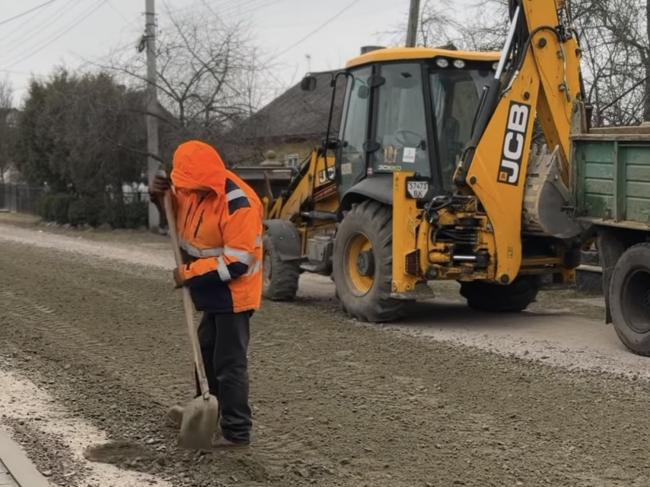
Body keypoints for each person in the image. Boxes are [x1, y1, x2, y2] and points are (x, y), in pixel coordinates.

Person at [151, 140, 263, 447]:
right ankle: (204, 412)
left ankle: (237, 431)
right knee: (205, 355)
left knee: (230, 364)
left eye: (192, 188)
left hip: (233, 295)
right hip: (210, 292)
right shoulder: (191, 191)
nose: (188, 194)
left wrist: (187, 274)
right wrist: (159, 197)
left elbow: (237, 263)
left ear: (205, 180)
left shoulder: (239, 204)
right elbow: (176, 215)